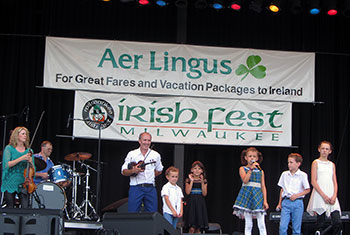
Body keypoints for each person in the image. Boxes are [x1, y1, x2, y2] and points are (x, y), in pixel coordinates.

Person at [121, 132, 163, 212]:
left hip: (150, 187)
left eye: (149, 140)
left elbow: (159, 170)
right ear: (139, 141)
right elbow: (123, 171)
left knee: (152, 214)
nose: (147, 142)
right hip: (136, 187)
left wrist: (151, 176)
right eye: (144, 140)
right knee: (133, 212)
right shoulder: (132, 154)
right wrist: (133, 171)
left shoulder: (155, 155)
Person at [306, 141, 342, 235]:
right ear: (319, 149)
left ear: (330, 151)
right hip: (320, 195)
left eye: (327, 149)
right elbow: (313, 181)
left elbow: (334, 181)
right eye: (322, 148)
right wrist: (323, 196)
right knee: (320, 224)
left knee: (337, 221)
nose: (324, 151)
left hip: (331, 194)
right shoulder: (316, 162)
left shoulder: (332, 165)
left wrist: (334, 195)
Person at [233, 147, 269, 235]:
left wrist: (265, 201)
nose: (252, 158)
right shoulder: (242, 169)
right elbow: (245, 180)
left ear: (257, 158)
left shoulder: (260, 171)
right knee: (248, 224)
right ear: (245, 158)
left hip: (257, 197)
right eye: (249, 156)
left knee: (261, 223)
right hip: (247, 196)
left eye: (254, 156)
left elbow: (263, 186)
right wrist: (251, 169)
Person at [276, 153, 310, 235]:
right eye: (288, 162)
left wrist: (296, 195)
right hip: (286, 201)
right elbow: (282, 189)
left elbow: (307, 189)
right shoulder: (284, 174)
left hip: (297, 202)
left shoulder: (302, 175)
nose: (289, 164)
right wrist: (279, 203)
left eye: (291, 162)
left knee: (296, 228)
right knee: (283, 227)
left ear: (298, 164)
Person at [1, 126, 35, 208]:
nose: (25, 136)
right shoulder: (9, 149)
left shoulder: (29, 151)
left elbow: (33, 169)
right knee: (10, 207)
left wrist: (31, 162)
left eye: (26, 134)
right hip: (10, 181)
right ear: (17, 135)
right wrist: (21, 158)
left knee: (25, 207)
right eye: (23, 134)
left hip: (23, 182)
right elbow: (6, 165)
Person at [184, 160, 208, 233]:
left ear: (202, 170)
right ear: (192, 170)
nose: (197, 170)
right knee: (191, 228)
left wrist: (202, 182)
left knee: (198, 228)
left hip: (200, 203)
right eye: (195, 168)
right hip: (191, 203)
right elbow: (187, 192)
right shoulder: (188, 180)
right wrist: (191, 181)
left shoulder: (204, 180)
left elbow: (204, 193)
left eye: (199, 168)